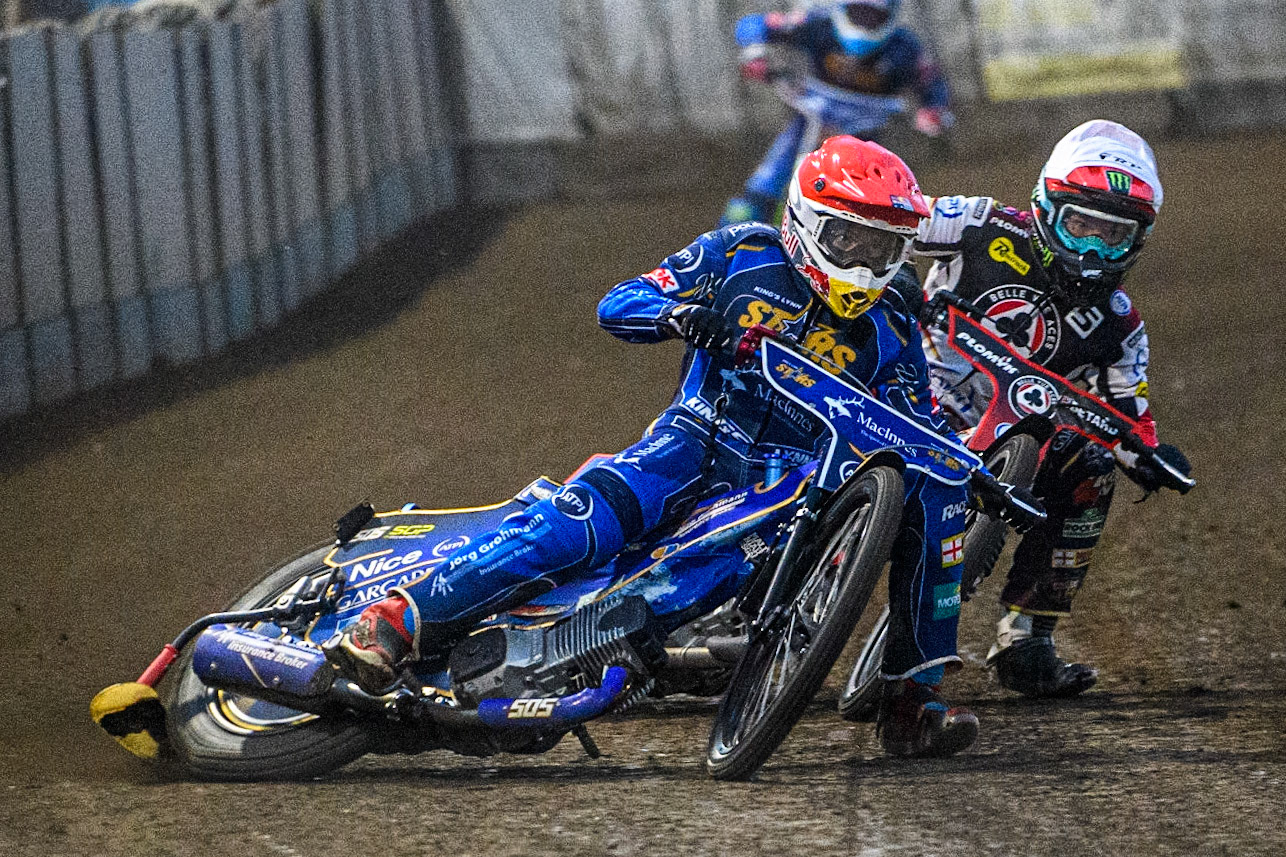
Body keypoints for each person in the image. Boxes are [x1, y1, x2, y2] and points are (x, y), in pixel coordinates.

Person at [327, 136, 998, 757]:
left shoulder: (895, 317)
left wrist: (970, 469)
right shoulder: (742, 253)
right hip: (692, 444)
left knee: (935, 497)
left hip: (792, 485)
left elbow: (916, 418)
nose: (865, 263)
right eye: (849, 239)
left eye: (884, 249)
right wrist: (680, 315)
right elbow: (620, 302)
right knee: (580, 525)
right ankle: (395, 621)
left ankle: (914, 699)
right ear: (808, 221)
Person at [913, 120, 1192, 698]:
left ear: (1136, 241)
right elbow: (883, 218)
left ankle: (1027, 637)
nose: (1092, 248)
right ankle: (747, 587)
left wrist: (1149, 453)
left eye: (1111, 235)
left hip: (1010, 437)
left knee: (1090, 466)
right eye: (1081, 224)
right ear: (1045, 206)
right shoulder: (977, 224)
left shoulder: (1120, 326)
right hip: (910, 398)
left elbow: (1128, 413)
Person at [722, 0, 952, 226]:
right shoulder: (819, 24)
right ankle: (734, 239)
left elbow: (931, 82)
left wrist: (932, 109)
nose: (864, 22)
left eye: (873, 16)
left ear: (890, 16)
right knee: (765, 183)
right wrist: (755, 54)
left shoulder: (905, 47)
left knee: (870, 196)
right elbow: (753, 25)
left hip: (867, 131)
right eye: (858, 12)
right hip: (812, 116)